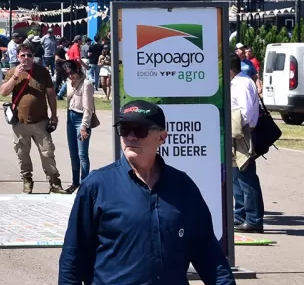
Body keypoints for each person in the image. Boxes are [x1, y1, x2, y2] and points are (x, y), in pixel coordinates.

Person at [59, 100, 235, 285]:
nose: (131, 137)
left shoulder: (184, 187)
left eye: (140, 130)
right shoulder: (96, 186)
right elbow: (73, 257)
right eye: (125, 129)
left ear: (162, 137)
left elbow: (209, 255)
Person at [0, 46, 65, 194]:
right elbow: (3, 92)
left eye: (29, 55)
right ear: (18, 57)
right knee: (22, 154)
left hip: (41, 121)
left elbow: (51, 95)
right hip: (20, 122)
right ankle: (27, 180)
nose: (26, 58)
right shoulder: (12, 72)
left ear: (33, 56)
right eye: (23, 55)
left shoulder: (42, 72)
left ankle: (54, 183)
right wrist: (16, 76)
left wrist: (54, 116)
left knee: (47, 152)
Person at [230, 55, 264, 232]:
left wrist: (233, 128)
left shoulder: (242, 84)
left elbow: (246, 114)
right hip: (236, 134)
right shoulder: (237, 82)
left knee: (246, 177)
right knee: (236, 176)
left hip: (242, 133)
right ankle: (240, 215)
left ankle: (254, 219)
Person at [62, 60, 94, 194]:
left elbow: (88, 108)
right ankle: (75, 182)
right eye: (68, 74)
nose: (70, 76)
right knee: (73, 154)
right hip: (70, 117)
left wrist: (84, 126)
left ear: (77, 70)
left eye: (72, 73)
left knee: (82, 155)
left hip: (81, 119)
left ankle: (84, 184)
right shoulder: (69, 83)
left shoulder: (86, 84)